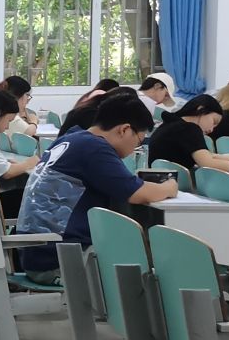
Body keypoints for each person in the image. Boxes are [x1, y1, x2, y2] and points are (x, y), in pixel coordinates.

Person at [15, 89, 178, 277]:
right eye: (138, 141)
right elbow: (139, 193)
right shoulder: (94, 148)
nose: (135, 149)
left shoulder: (71, 138)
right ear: (124, 130)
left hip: (38, 253)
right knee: (149, 263)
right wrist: (169, 187)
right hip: (60, 261)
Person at [148, 93, 229, 174]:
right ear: (201, 109)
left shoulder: (170, 124)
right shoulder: (190, 128)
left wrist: (216, 156)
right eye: (214, 122)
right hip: (172, 185)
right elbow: (208, 164)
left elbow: (191, 152)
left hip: (156, 180)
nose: (212, 129)